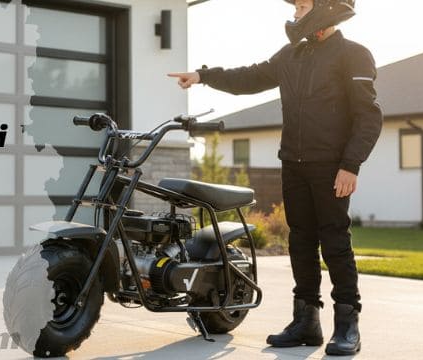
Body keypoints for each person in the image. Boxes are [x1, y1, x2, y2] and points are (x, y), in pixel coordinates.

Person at [168, 0, 382, 355]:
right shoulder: (290, 55)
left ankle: (347, 325)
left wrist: (351, 164)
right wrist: (204, 76)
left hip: (331, 167)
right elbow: (248, 77)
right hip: (294, 164)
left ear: (326, 7)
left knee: (335, 243)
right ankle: (306, 322)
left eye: (301, 5)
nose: (295, 13)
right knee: (300, 242)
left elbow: (368, 116)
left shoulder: (354, 55)